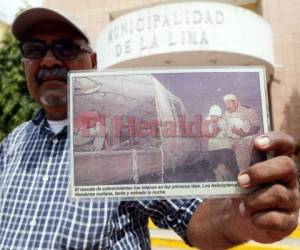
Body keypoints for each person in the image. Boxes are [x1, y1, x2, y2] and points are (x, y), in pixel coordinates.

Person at [0, 7, 299, 250]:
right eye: (34, 49)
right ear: (25, 62)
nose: (49, 60)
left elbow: (191, 216)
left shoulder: (143, 139)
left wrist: (242, 217)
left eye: (65, 48)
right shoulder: (12, 145)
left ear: (92, 62)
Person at [223, 94, 261, 171]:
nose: (227, 107)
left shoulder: (248, 111)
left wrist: (244, 134)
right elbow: (226, 129)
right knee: (239, 169)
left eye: (228, 103)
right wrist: (231, 143)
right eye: (225, 104)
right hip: (234, 144)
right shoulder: (225, 114)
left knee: (251, 167)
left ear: (236, 102)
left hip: (247, 141)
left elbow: (256, 126)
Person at [202, 105, 239, 181]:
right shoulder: (208, 122)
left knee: (222, 169)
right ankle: (221, 187)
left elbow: (224, 133)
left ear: (218, 116)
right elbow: (205, 134)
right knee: (216, 172)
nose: (212, 117)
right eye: (211, 116)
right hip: (212, 150)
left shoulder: (223, 122)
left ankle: (231, 183)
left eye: (214, 116)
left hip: (223, 150)